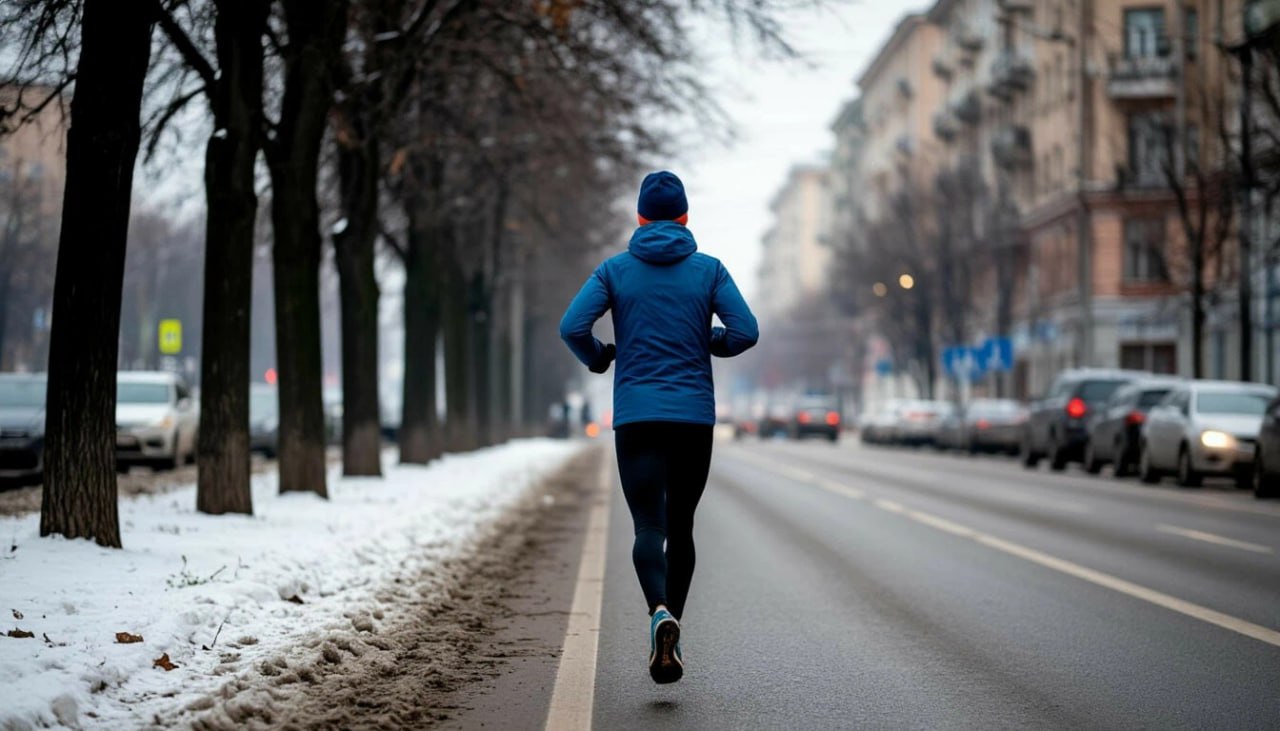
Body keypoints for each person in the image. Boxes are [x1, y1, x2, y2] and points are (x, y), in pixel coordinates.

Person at [559, 170, 759, 684]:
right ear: (686, 217)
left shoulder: (615, 271)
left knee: (649, 526)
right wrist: (709, 341)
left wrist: (600, 357)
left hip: (637, 416)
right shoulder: (709, 271)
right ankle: (672, 626)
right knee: (683, 527)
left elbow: (572, 326)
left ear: (641, 217)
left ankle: (657, 613)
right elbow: (746, 331)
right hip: (693, 417)